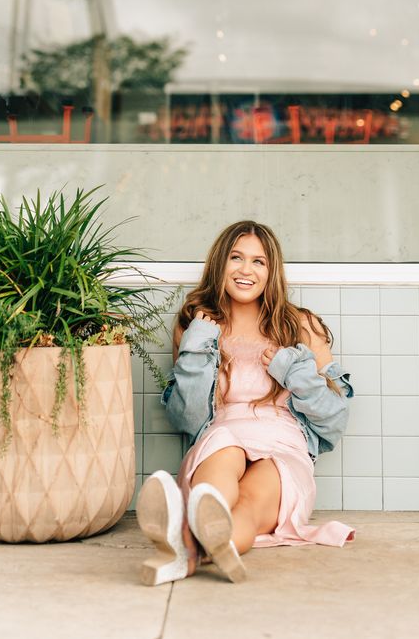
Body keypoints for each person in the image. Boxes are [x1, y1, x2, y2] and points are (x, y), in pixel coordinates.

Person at [135, 220, 355, 585]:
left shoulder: (300, 325)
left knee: (250, 506)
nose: (245, 270)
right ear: (220, 264)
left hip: (283, 443)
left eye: (259, 261)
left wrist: (293, 372)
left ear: (272, 271)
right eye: (236, 258)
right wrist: (197, 344)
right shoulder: (196, 325)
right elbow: (187, 419)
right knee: (221, 467)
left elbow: (334, 422)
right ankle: (196, 537)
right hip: (222, 434)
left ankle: (186, 547)